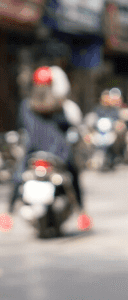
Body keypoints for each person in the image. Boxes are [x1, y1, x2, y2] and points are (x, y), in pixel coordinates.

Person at [3, 66, 90, 230]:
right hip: (58, 152)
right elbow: (68, 126)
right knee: (73, 174)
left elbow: (22, 127)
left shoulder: (26, 105)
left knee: (18, 176)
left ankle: (8, 214)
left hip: (32, 151)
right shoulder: (59, 104)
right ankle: (81, 212)